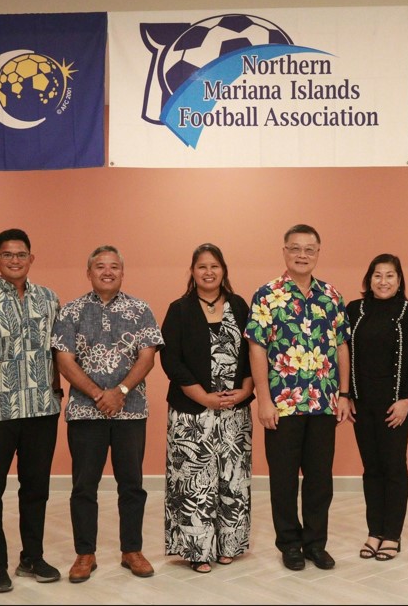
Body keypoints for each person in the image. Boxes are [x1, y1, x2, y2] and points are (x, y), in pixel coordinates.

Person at [246, 224, 353, 572]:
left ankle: (315, 543)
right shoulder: (267, 294)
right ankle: (289, 544)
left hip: (323, 403)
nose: (302, 255)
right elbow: (257, 348)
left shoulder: (331, 295)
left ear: (318, 253)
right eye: (295, 248)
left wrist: (344, 394)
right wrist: (263, 398)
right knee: (284, 477)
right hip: (282, 403)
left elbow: (341, 347)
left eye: (309, 249)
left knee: (321, 477)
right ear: (285, 252)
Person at [52, 246, 162, 582]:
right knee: (84, 486)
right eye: (100, 266)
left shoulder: (140, 309)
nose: (108, 271)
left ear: (122, 272)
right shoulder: (71, 311)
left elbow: (148, 357)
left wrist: (121, 393)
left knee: (132, 485)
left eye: (114, 266)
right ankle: (85, 554)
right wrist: (100, 394)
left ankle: (132, 550)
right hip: (86, 413)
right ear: (89, 272)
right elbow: (64, 361)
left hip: (131, 413)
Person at [0, 228, 62, 592]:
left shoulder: (50, 299)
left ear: (31, 258)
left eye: (21, 254)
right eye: (7, 255)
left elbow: (56, 353)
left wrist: (56, 392)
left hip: (41, 412)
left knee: (36, 488)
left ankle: (32, 557)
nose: (15, 260)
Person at [159, 244, 255, 573]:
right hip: (191, 413)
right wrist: (203, 397)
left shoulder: (241, 306)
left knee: (233, 480)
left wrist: (245, 389)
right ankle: (198, 551)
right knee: (194, 482)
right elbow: (170, 359)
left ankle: (230, 544)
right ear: (193, 272)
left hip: (234, 411)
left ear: (224, 270)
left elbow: (255, 352)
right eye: (202, 266)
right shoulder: (180, 309)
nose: (209, 272)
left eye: (214, 266)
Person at [344, 254, 408, 563]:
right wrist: (347, 395)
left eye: (390, 275)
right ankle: (374, 532)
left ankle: (392, 535)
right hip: (362, 404)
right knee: (372, 468)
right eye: (377, 275)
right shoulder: (354, 310)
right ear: (369, 279)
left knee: (393, 467)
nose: (383, 281)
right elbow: (344, 354)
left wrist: (407, 400)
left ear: (399, 279)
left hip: (396, 405)